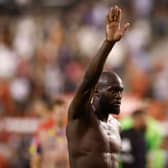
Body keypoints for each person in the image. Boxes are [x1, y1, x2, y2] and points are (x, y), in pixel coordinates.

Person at [66, 5, 130, 168]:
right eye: (113, 91)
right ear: (96, 92)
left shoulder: (116, 125)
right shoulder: (80, 115)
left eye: (121, 91)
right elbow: (88, 80)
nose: (119, 96)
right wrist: (109, 43)